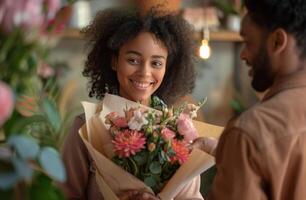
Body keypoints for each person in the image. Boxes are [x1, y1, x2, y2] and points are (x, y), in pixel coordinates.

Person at [60, 7, 204, 200]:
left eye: (156, 63)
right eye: (133, 60)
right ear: (114, 62)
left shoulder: (181, 132)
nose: (144, 72)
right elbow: (63, 195)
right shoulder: (86, 126)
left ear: (167, 68)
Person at [192, 0, 306, 199]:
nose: (243, 54)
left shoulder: (250, 131)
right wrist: (224, 152)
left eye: (248, 42)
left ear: (278, 41)